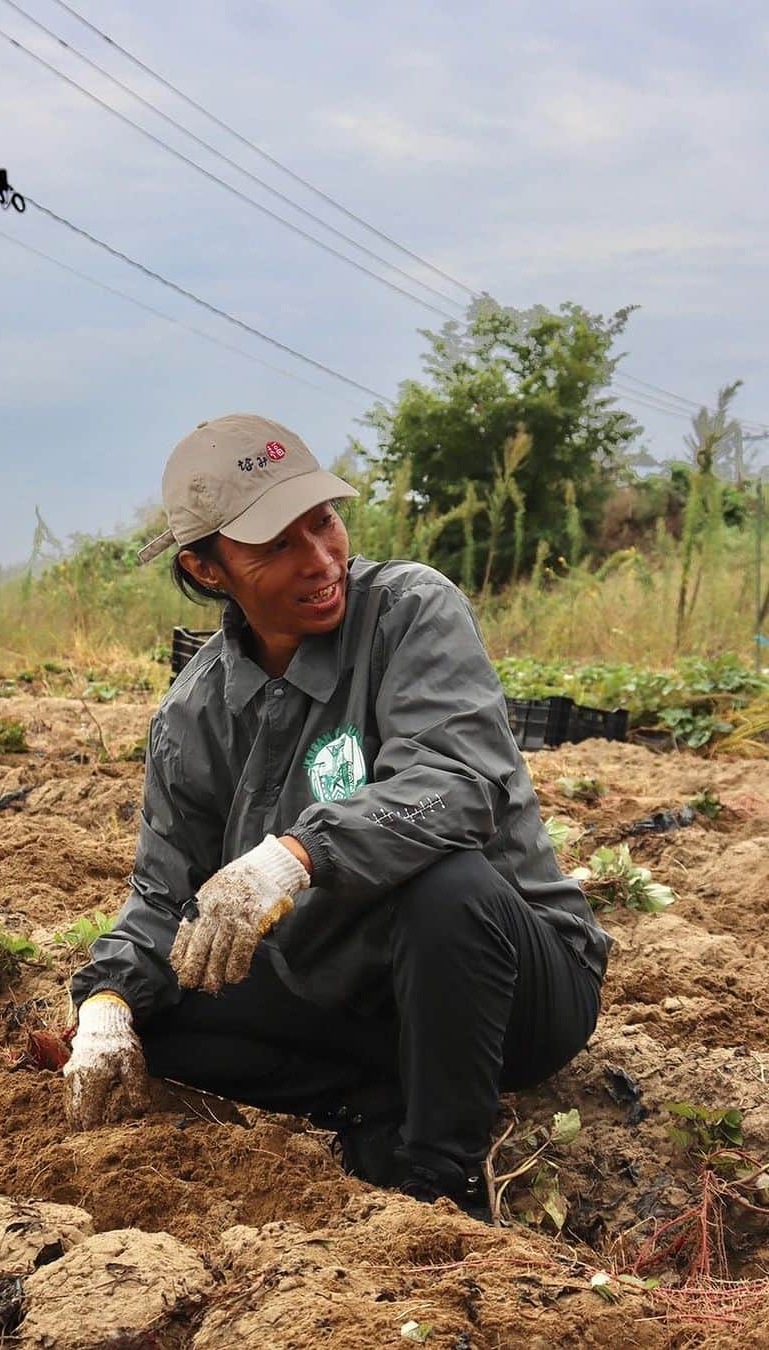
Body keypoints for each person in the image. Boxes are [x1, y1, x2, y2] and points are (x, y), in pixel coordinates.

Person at [64, 413, 610, 1221]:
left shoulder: (410, 612)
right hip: (351, 992)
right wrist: (105, 1005)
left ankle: (441, 1187)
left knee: (444, 885)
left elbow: (459, 781)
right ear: (208, 569)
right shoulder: (194, 716)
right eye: (277, 544)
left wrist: (295, 854)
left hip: (510, 980)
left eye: (324, 521)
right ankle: (375, 1102)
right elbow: (161, 894)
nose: (322, 560)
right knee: (159, 1013)